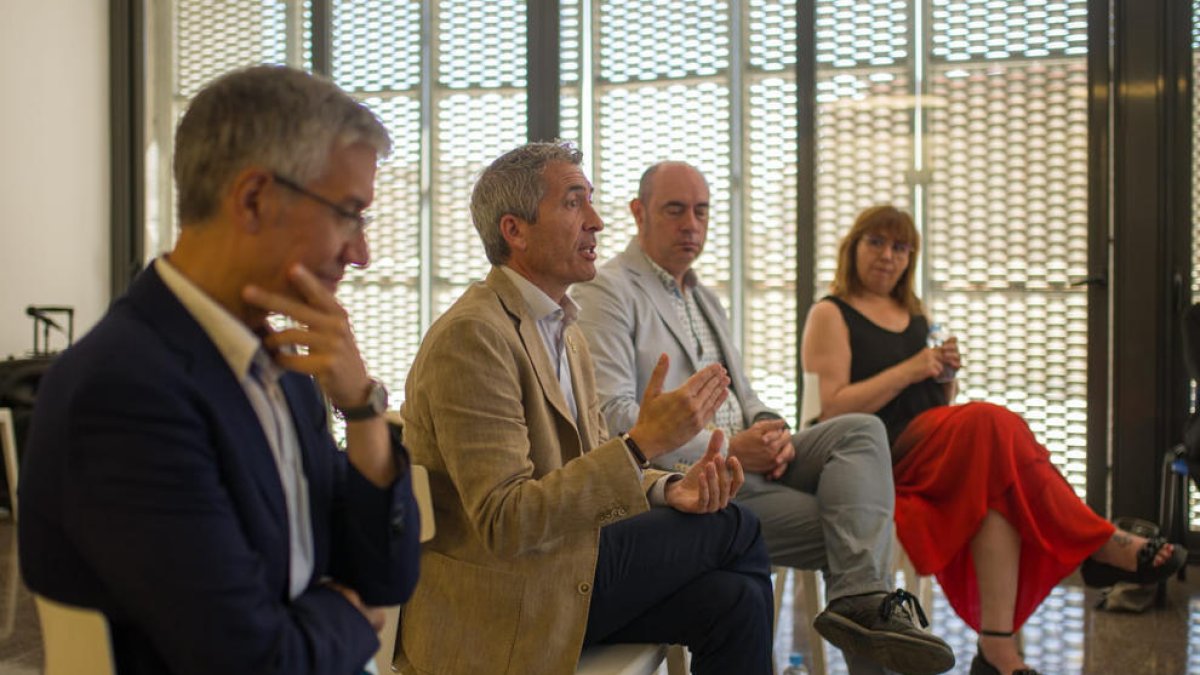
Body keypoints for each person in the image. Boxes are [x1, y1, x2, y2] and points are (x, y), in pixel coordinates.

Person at [19, 65, 421, 675]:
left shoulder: (285, 365)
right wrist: (346, 619)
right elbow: (250, 661)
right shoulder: (126, 389)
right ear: (254, 199)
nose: (361, 254)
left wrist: (362, 405)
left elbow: (384, 576)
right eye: (348, 213)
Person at [397, 142, 773, 675]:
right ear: (515, 230)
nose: (596, 222)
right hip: (510, 600)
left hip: (566, 566)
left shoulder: (565, 331)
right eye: (575, 203)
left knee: (737, 599)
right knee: (738, 527)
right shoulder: (473, 337)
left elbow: (596, 459)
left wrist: (669, 487)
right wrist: (644, 444)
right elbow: (507, 522)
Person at [574, 161, 955, 675]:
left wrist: (770, 428)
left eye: (702, 211)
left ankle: (861, 598)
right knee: (861, 533)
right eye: (675, 210)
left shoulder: (704, 297)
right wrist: (731, 447)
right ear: (639, 213)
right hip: (695, 479)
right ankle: (866, 602)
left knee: (861, 433)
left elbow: (744, 395)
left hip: (752, 459)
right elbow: (613, 420)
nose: (692, 223)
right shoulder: (609, 290)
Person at [800, 204, 1189, 675]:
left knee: (998, 492)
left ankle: (997, 650)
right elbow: (833, 409)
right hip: (874, 456)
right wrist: (913, 368)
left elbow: (937, 408)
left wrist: (944, 379)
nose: (888, 256)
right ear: (853, 248)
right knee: (992, 420)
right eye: (877, 243)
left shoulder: (914, 312)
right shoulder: (830, 312)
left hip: (932, 450)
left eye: (901, 247)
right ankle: (1098, 542)